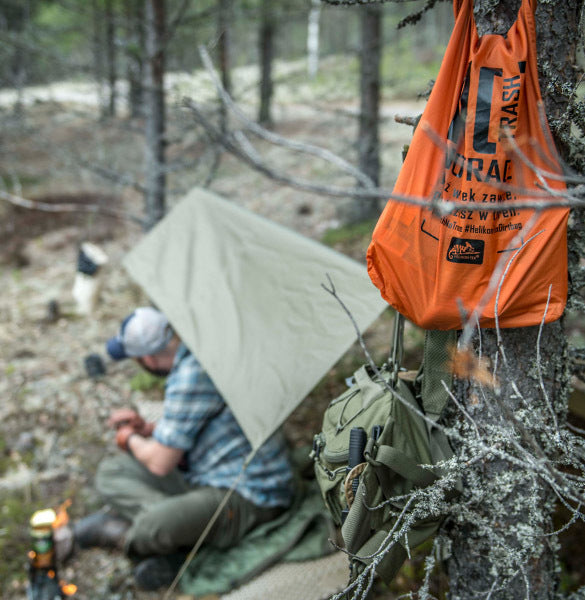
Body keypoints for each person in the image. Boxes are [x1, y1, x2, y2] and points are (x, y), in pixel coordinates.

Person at [74, 306, 295, 591]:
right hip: (211, 472)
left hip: (251, 495)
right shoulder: (203, 354)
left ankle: (138, 535)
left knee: (153, 525)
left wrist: (128, 438)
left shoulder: (191, 375)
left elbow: (160, 463)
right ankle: (180, 528)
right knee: (111, 471)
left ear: (148, 359)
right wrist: (147, 429)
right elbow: (195, 421)